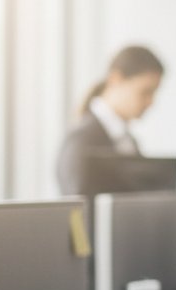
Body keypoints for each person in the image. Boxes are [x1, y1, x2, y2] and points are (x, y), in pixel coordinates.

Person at [56, 44, 164, 195]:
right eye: (145, 92)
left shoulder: (129, 141)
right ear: (116, 79)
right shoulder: (81, 139)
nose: (151, 102)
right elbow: (77, 208)